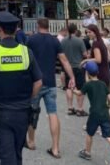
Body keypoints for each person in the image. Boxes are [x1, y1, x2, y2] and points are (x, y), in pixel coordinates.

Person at [0, 11, 43, 165]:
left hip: (1, 111)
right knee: (17, 154)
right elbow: (38, 82)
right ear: (16, 29)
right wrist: (28, 99)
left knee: (6, 156)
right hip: (23, 112)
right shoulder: (26, 52)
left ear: (0, 30)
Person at [25, 18, 77, 158]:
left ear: (37, 26)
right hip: (50, 82)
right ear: (48, 26)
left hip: (35, 82)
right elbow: (64, 60)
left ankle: (31, 141)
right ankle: (55, 148)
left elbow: (25, 59)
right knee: (52, 113)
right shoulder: (55, 41)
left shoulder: (31, 40)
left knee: (32, 111)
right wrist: (71, 77)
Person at [75, 61, 110, 165]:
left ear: (88, 73)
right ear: (98, 72)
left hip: (94, 114)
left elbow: (79, 93)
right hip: (104, 113)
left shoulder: (87, 85)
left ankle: (87, 152)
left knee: (89, 133)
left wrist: (72, 89)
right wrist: (108, 105)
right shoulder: (103, 84)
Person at [61, 22, 88, 117]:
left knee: (69, 87)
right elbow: (85, 54)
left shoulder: (63, 41)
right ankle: (80, 109)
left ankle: (70, 107)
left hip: (68, 67)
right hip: (78, 66)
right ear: (75, 30)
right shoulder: (79, 41)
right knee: (80, 88)